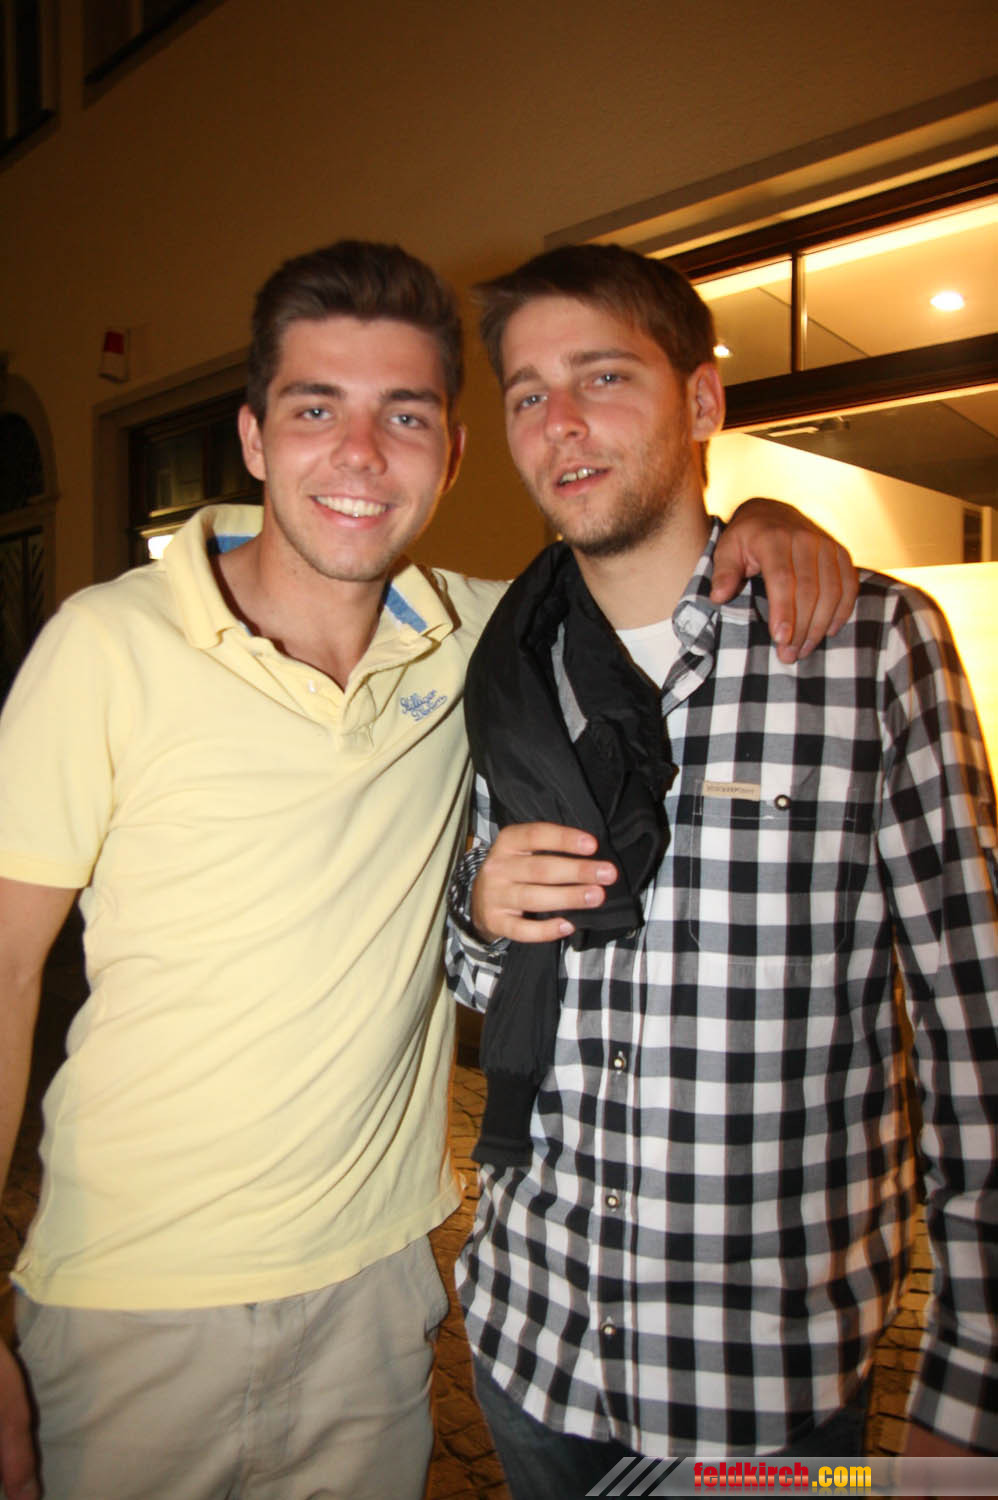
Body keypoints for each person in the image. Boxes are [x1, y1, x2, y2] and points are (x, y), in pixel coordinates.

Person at [0, 239, 857, 1500]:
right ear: (252, 438)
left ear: (451, 454)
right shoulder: (106, 646)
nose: (359, 454)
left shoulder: (484, 642)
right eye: (315, 410)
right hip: (134, 1299)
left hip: (378, 1292)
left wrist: (765, 526)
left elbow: (639, 567)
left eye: (402, 415)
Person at [445, 242, 998, 1498]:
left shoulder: (868, 647)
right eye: (527, 392)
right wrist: (479, 912)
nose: (559, 420)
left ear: (700, 400)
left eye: (602, 376)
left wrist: (971, 1382)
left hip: (757, 1382)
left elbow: (974, 1030)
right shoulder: (512, 665)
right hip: (529, 1341)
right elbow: (474, 979)